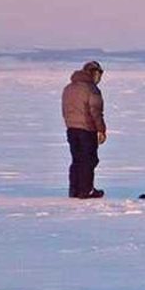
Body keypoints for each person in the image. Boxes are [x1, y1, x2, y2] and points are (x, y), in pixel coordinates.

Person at [62, 60, 106, 199]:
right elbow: (95, 112)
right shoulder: (91, 89)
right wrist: (101, 130)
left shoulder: (69, 88)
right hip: (87, 129)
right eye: (99, 74)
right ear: (92, 73)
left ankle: (75, 189)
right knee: (89, 160)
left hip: (72, 129)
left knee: (77, 160)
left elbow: (65, 109)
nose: (99, 78)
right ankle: (86, 190)